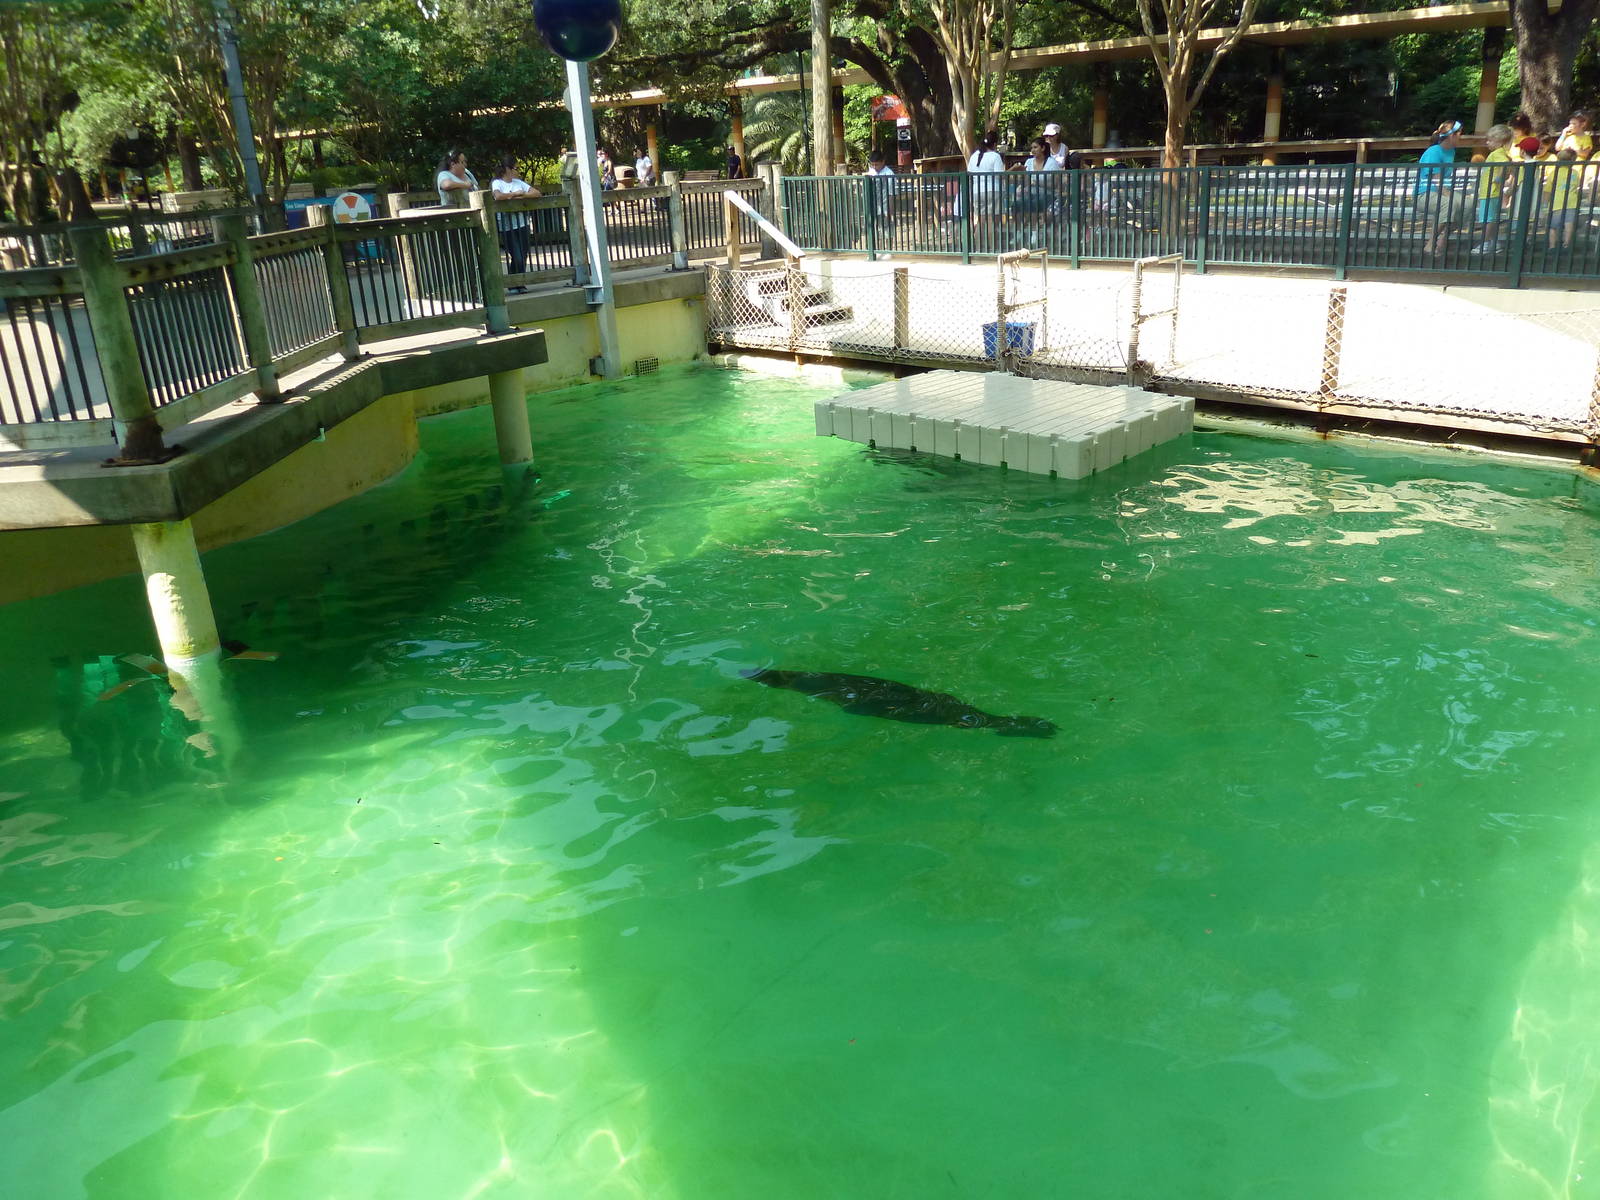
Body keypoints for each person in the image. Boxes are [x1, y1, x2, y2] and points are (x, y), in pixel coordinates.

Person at [491, 155, 542, 285]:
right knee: (517, 256)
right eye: (516, 168)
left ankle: (519, 283)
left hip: (522, 223)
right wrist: (514, 194)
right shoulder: (497, 183)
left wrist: (523, 194)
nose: (518, 171)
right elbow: (498, 196)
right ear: (508, 169)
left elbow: (536, 193)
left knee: (523, 254)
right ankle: (513, 282)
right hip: (507, 226)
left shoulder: (519, 183)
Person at [1415, 119, 1464, 254]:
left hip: (1441, 192)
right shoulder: (1434, 151)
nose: (1461, 136)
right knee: (1449, 204)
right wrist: (1449, 195)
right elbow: (1436, 179)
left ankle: (1443, 239)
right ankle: (1431, 243)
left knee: (1467, 204)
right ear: (1452, 135)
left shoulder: (1451, 151)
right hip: (1425, 193)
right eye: (1459, 133)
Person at [1470, 123, 1514, 255]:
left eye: (1490, 140)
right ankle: (1493, 242)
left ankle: (1485, 242)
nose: (1487, 143)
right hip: (1489, 191)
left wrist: (1498, 179)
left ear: (1499, 141)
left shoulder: (1497, 153)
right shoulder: (1499, 153)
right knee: (1491, 218)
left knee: (1487, 219)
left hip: (1490, 192)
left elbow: (1506, 164)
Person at [1544, 147, 1584, 249]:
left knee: (1552, 226)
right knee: (1569, 224)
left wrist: (1545, 202)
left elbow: (1547, 190)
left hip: (1556, 203)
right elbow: (1577, 185)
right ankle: (1566, 244)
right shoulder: (1575, 173)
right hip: (1572, 202)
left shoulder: (1554, 173)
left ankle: (1552, 246)